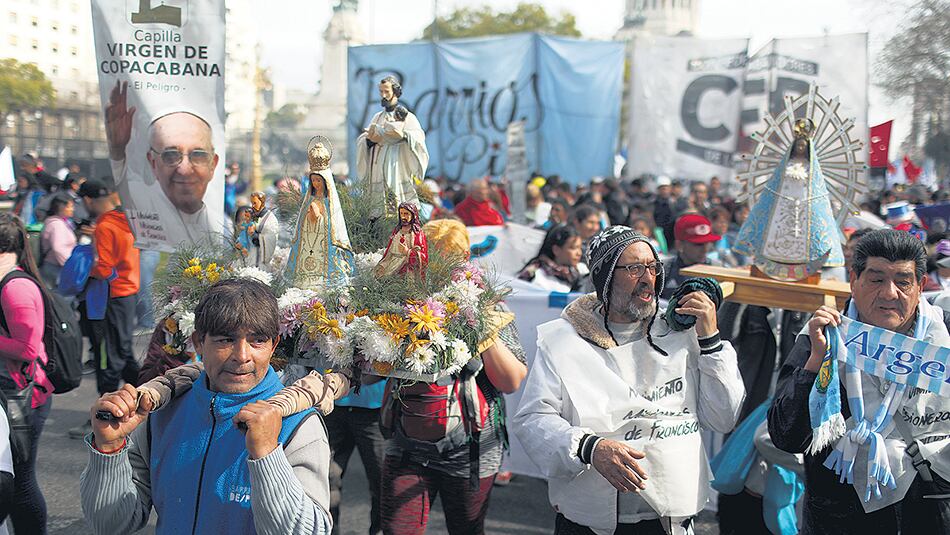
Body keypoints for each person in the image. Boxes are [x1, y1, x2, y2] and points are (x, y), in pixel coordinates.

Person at [514, 225, 744, 534]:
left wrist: (712, 342)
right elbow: (532, 419)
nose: (648, 278)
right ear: (606, 277)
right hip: (592, 522)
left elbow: (724, 416)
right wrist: (589, 448)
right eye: (634, 268)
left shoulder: (680, 334)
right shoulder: (565, 341)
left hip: (668, 522)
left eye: (652, 267)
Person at [79, 278, 333, 534]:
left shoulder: (298, 425)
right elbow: (110, 524)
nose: (242, 356)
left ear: (273, 345)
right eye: (225, 340)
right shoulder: (163, 412)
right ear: (199, 342)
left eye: (257, 341)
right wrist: (109, 449)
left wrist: (267, 456)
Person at [768, 229, 950, 534]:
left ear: (920, 285)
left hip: (930, 507)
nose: (890, 293)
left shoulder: (943, 336)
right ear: (853, 281)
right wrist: (816, 363)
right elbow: (787, 437)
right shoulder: (823, 336)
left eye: (903, 282)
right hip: (842, 515)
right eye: (876, 279)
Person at [378, 220, 527, 535]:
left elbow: (511, 380)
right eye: (428, 260)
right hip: (406, 442)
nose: (434, 273)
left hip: (470, 446)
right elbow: (367, 376)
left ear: (464, 262)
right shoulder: (398, 302)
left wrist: (481, 325)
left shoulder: (487, 305)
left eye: (446, 263)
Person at [104, 80, 224, 249]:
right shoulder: (143, 200)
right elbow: (124, 182)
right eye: (171, 155)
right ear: (153, 163)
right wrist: (117, 149)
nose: (184, 169)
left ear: (213, 164)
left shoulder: (223, 227)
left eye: (198, 155)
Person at [69, 179, 141, 438]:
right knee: (121, 351)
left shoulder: (105, 225)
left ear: (88, 200)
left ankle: (105, 414)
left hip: (110, 294)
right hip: (128, 291)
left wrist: (83, 268)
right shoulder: (126, 220)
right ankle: (143, 402)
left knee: (108, 354)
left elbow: (104, 267)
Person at [0, 213, 54, 534]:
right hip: (17, 393)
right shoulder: (11, 279)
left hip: (24, 397)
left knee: (20, 483)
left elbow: (27, 348)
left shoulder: (15, 288)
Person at [356, 76, 429, 214]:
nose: (383, 95)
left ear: (395, 92)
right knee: (378, 209)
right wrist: (368, 141)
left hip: (396, 165)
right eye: (381, 91)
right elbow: (366, 136)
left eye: (387, 91)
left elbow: (418, 137)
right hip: (377, 166)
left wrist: (403, 136)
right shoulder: (377, 117)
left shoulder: (407, 117)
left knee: (398, 206)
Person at [287, 153, 354, 289]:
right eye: (313, 180)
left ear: (325, 181)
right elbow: (302, 223)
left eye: (318, 180)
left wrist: (319, 217)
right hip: (309, 241)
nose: (315, 184)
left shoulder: (331, 202)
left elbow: (333, 224)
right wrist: (309, 214)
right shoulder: (309, 199)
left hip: (324, 243)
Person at [662, 214, 721, 300]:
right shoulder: (664, 270)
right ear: (679, 245)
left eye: (707, 243)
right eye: (698, 244)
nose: (705, 249)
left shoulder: (717, 270)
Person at [518, 224, 584, 292]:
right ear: (556, 250)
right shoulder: (533, 273)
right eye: (573, 248)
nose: (579, 253)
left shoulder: (576, 274)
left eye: (579, 248)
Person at [375, 203, 428, 279]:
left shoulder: (417, 234)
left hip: (407, 266)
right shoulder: (397, 231)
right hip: (392, 263)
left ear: (413, 215)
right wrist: (383, 265)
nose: (403, 216)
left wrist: (408, 252)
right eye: (401, 213)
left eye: (406, 214)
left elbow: (423, 257)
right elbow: (389, 252)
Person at [39, 196, 77, 288]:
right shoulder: (57, 225)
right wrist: (71, 266)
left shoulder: (60, 222)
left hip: (56, 266)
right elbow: (58, 248)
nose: (73, 209)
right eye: (70, 206)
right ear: (60, 208)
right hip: (56, 268)